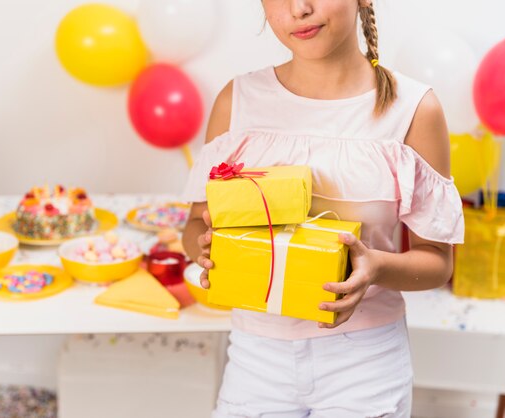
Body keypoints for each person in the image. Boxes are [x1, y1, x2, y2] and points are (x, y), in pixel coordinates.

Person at [181, 0, 464, 416]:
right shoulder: (236, 101)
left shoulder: (415, 109)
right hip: (256, 357)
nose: (299, 8)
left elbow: (439, 262)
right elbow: (193, 226)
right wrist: (205, 248)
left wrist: (377, 268)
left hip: (366, 364)